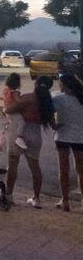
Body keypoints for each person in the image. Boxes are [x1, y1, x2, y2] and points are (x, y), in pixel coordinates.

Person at [4, 76, 55, 208]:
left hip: (19, 132)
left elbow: (9, 110)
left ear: (36, 84)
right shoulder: (47, 101)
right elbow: (53, 124)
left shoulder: (27, 98)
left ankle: (9, 195)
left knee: (13, 165)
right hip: (35, 133)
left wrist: (5, 111)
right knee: (35, 167)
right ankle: (36, 198)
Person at [51, 73, 83, 212]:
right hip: (80, 137)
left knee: (63, 170)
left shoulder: (57, 98)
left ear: (63, 84)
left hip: (62, 136)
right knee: (80, 170)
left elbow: (47, 110)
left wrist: (53, 125)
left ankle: (65, 201)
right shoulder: (81, 98)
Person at [3, 73, 27, 150]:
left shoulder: (5, 90)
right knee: (22, 122)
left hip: (6, 109)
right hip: (12, 111)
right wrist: (23, 100)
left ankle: (8, 126)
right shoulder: (15, 93)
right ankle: (19, 137)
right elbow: (19, 101)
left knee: (13, 121)